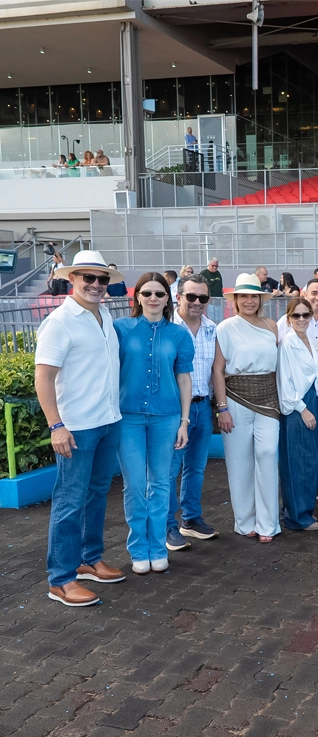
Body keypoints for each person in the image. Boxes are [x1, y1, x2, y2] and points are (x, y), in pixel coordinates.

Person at [35, 252, 126, 606]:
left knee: (97, 494)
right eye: (87, 278)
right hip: (76, 427)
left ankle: (89, 559)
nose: (96, 285)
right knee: (69, 501)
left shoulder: (104, 314)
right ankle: (60, 579)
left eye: (102, 279)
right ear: (72, 279)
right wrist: (56, 426)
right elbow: (43, 377)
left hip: (107, 421)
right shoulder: (60, 321)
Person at [114, 273, 193, 575]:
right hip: (128, 417)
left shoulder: (178, 335)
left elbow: (185, 378)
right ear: (136, 297)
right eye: (146, 293)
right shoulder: (121, 329)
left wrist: (184, 421)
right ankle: (139, 549)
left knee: (160, 484)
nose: (153, 298)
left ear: (168, 298)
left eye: (159, 293)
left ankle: (158, 547)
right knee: (135, 485)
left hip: (167, 417)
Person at [212, 274, 280, 543]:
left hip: (268, 398)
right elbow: (218, 370)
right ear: (236, 300)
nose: (249, 300)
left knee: (268, 453)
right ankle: (245, 522)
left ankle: (268, 523)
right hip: (236, 399)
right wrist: (222, 408)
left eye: (254, 296)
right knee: (239, 463)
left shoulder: (272, 326)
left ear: (261, 299)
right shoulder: (226, 327)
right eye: (244, 296)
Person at [167, 273, 219, 552]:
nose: (197, 302)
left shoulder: (212, 328)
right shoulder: (167, 328)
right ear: (179, 296)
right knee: (169, 470)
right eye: (191, 296)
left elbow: (216, 371)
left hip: (203, 405)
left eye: (203, 297)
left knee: (196, 468)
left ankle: (191, 519)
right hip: (175, 411)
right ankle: (168, 526)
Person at [277, 296, 318, 532]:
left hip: (314, 400)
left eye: (306, 315)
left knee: (312, 460)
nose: (301, 319)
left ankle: (304, 510)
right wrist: (303, 410)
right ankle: (296, 516)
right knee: (298, 461)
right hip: (298, 406)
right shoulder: (288, 343)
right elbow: (285, 382)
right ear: (289, 318)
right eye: (296, 315)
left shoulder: (310, 339)